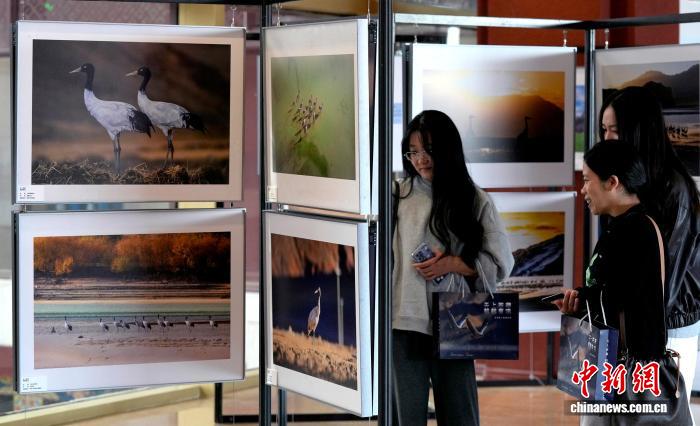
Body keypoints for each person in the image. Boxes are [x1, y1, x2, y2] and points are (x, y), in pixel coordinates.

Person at [556, 140, 691, 425]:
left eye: (587, 180)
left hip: (623, 374)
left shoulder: (632, 230)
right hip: (626, 369)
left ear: (612, 182)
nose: (583, 190)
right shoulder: (636, 225)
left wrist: (581, 303)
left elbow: (619, 299)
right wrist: (581, 299)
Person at [392, 110, 514, 425]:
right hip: (404, 321)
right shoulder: (397, 196)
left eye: (429, 150)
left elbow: (501, 263)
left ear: (448, 149)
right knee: (405, 418)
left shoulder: (475, 200)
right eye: (413, 152)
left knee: (461, 416)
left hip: (456, 318)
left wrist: (455, 263)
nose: (420, 160)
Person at [599, 86, 700, 403]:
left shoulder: (673, 190)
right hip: (628, 326)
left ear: (639, 131)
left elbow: (661, 280)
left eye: (615, 131)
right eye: (604, 130)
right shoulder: (625, 182)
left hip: (665, 330)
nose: (607, 139)